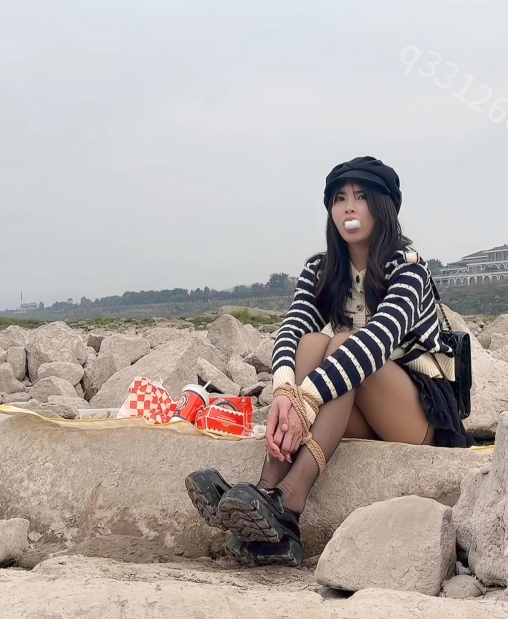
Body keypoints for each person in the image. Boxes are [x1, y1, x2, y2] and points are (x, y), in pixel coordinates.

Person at [186, 156, 474, 567]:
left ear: (383, 205)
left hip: (419, 415)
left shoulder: (407, 268)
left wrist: (305, 400)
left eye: (361, 197)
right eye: (339, 198)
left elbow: (376, 342)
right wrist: (283, 392)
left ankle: (291, 500)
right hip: (359, 405)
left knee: (342, 343)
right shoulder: (322, 270)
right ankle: (266, 498)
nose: (349, 207)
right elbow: (291, 329)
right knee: (309, 343)